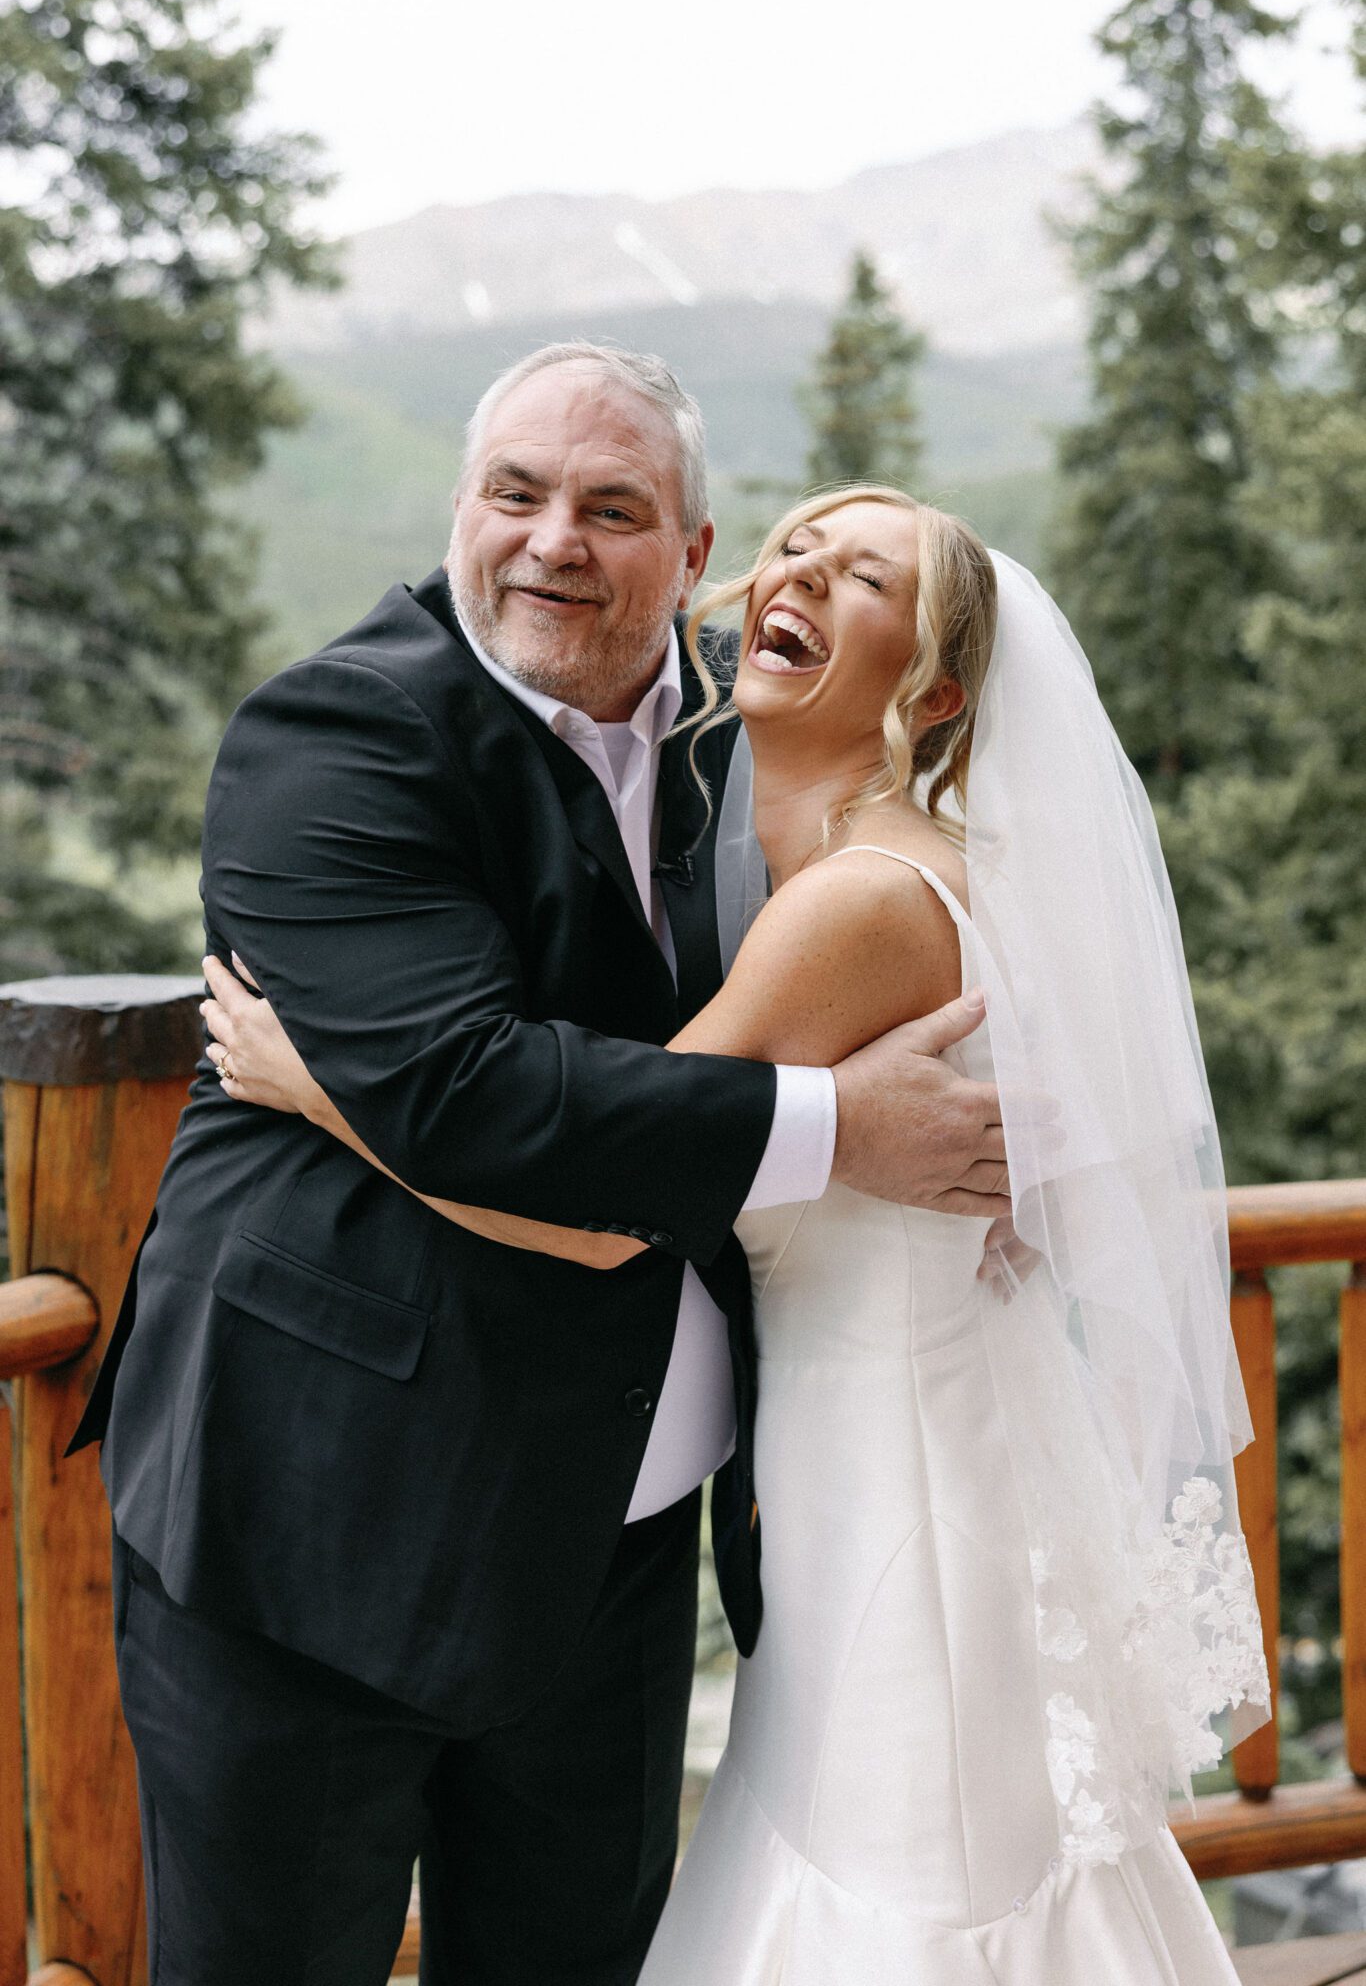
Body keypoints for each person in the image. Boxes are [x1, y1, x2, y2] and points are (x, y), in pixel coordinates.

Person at [208, 482, 1271, 1982]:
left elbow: (605, 1203)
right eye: (798, 550)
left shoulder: (858, 907)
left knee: (905, 1896)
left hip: (897, 1491)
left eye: (866, 581)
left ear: (937, 691)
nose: (804, 577)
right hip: (865, 1476)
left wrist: (320, 1090)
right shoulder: (844, 861)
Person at [68, 346, 1014, 1986]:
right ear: (461, 506)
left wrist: (342, 1096)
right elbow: (469, 1096)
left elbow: (553, 1123)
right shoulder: (338, 732)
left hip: (613, 1535)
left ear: (693, 555)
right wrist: (838, 1128)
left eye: (611, 509)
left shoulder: (746, 722)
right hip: (317, 1525)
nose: (552, 540)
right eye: (514, 494)